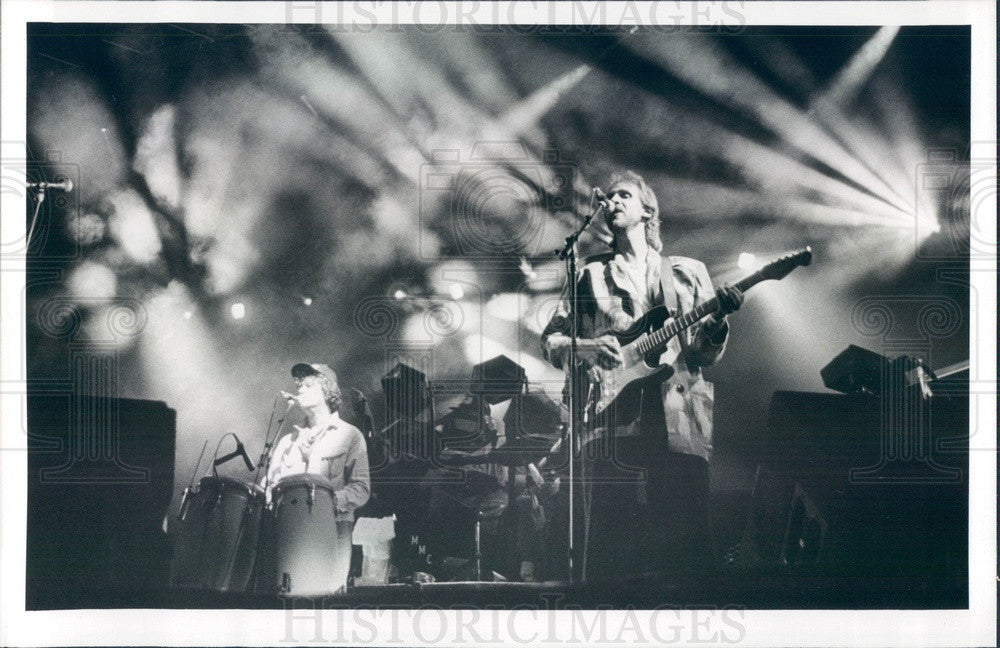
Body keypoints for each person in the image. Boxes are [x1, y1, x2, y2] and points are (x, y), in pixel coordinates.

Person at [540, 170, 743, 581]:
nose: (612, 201)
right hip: (609, 417)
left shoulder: (687, 272)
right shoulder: (588, 273)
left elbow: (704, 353)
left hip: (679, 414)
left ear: (647, 210)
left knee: (686, 545)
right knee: (608, 549)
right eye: (609, 196)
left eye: (623, 195)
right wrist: (590, 347)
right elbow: (552, 340)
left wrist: (718, 320)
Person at [263, 362, 370, 593]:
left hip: (334, 528)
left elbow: (361, 488)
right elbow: (270, 485)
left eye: (308, 384)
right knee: (288, 598)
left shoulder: (350, 435)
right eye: (299, 384)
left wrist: (327, 503)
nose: (299, 388)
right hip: (289, 531)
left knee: (328, 599)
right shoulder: (286, 441)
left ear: (327, 391)